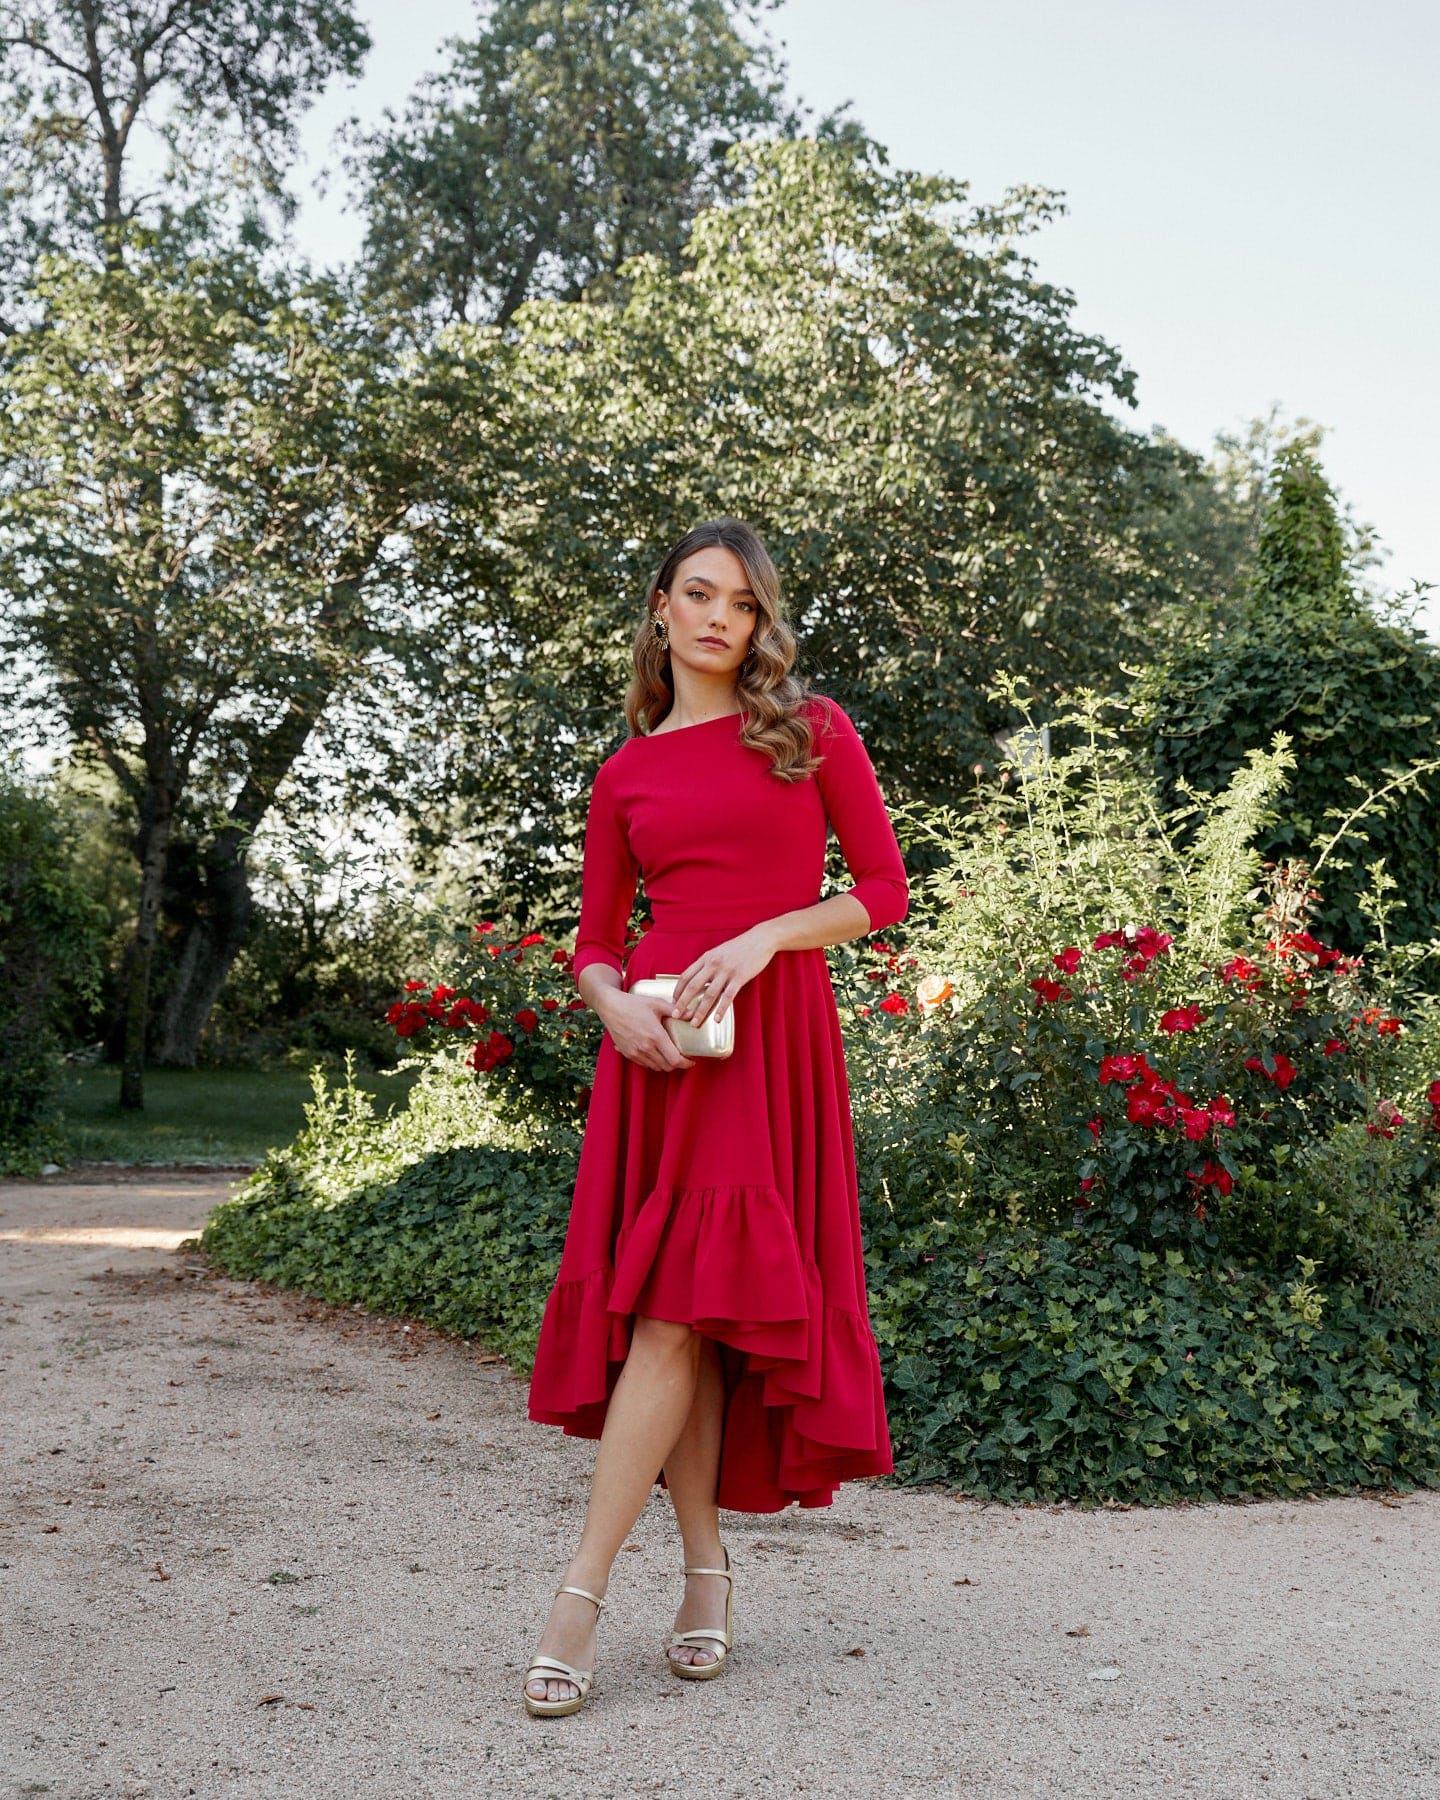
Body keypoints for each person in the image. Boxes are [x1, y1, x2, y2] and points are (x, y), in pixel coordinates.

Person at [522, 518, 909, 1716]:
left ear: (758, 624)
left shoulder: (813, 731)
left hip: (771, 1041)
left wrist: (759, 938)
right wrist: (606, 1008)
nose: (717, 619)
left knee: (685, 1321)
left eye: (740, 604)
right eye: (697, 595)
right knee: (680, 1317)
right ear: (659, 608)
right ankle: (702, 1573)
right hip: (660, 1056)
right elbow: (594, 940)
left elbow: (882, 894)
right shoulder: (627, 770)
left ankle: (576, 1601)